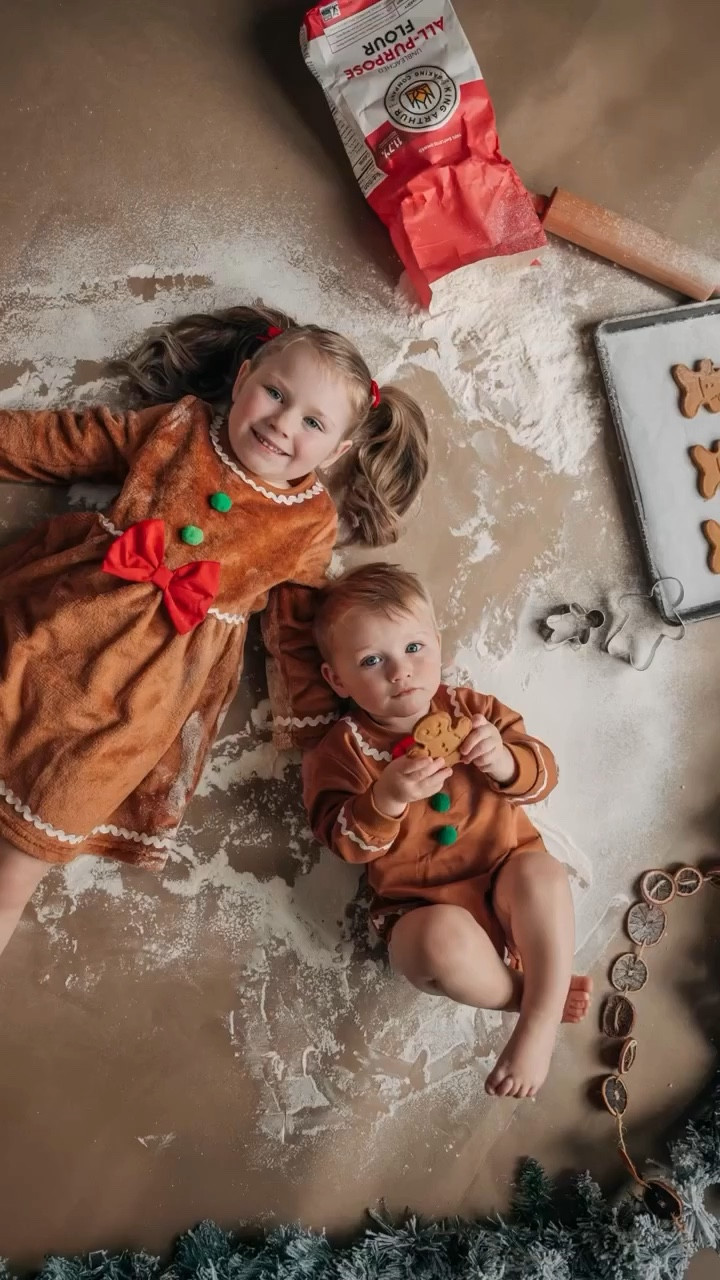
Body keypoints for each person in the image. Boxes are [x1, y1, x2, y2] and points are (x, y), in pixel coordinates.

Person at [0, 306, 429, 957]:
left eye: (312, 422)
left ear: (338, 450)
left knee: (24, 853)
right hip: (65, 615)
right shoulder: (180, 428)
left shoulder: (308, 524)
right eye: (275, 393)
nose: (282, 424)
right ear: (245, 374)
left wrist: (324, 726)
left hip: (141, 697)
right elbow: (70, 440)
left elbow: (293, 633)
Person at [302, 563, 592, 1099]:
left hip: (507, 869)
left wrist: (504, 762)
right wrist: (384, 799)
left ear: (437, 644)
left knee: (542, 872)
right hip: (421, 906)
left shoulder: (472, 709)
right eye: (372, 661)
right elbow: (342, 841)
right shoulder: (339, 752)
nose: (400, 672)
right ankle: (529, 999)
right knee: (428, 946)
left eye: (414, 648)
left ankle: (537, 1027)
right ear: (337, 679)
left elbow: (543, 775)